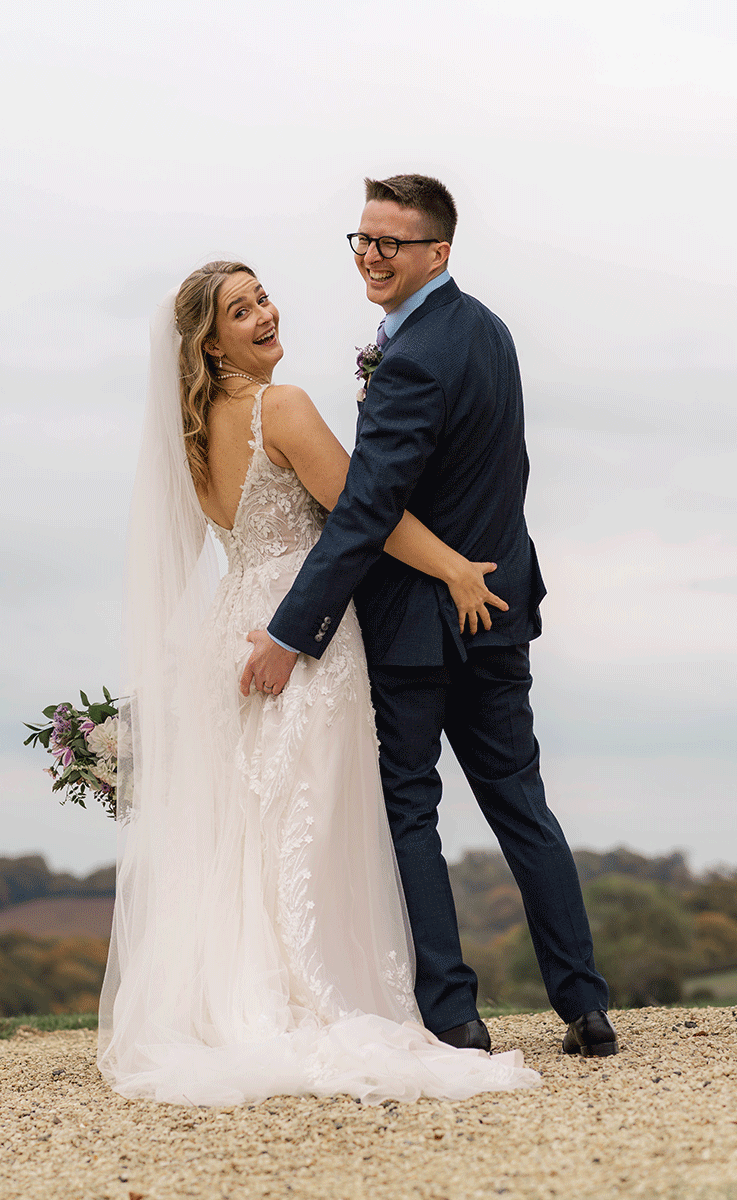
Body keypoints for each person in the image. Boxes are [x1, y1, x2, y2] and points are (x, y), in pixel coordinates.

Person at [96, 259, 540, 1105]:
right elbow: (363, 514)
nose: (265, 313)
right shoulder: (282, 407)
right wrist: (453, 569)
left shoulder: (186, 438)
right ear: (212, 345)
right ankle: (320, 996)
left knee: (254, 826)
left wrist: (160, 685)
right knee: (313, 812)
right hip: (305, 633)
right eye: (241, 310)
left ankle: (237, 999)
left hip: (235, 633)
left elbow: (185, 564)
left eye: (261, 296)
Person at [244, 174, 617, 1059]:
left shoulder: (412, 355)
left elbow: (366, 508)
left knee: (412, 810)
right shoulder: (489, 331)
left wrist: (292, 630)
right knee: (522, 807)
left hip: (417, 624)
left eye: (390, 243)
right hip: (498, 606)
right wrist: (493, 571)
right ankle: (586, 1007)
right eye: (361, 240)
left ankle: (453, 1016)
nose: (370, 256)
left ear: (436, 253)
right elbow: (507, 472)